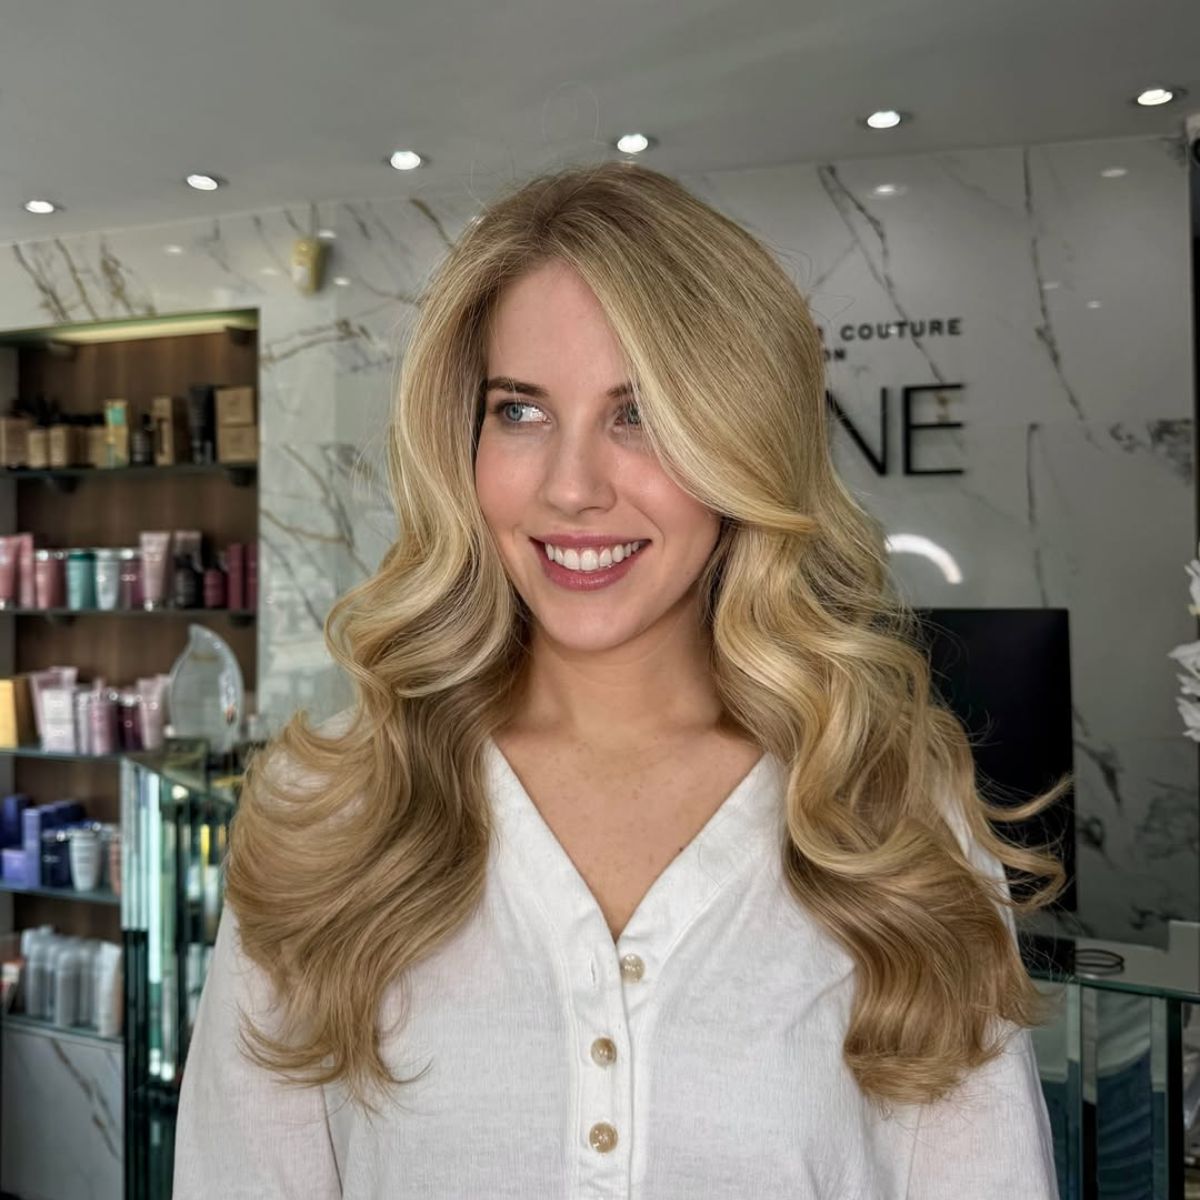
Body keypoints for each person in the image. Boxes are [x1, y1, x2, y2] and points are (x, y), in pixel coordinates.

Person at [172, 160, 1070, 1198]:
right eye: (519, 411)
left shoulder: (888, 825)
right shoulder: (332, 821)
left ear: (743, 439)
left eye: (638, 412)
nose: (570, 485)